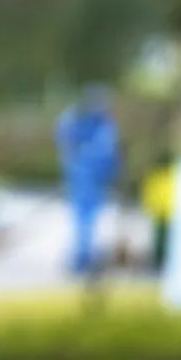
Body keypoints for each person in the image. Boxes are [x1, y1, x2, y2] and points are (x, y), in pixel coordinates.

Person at [56, 85, 119, 274]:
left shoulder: (94, 122)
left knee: (83, 219)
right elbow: (108, 151)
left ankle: (82, 255)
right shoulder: (96, 123)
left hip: (84, 177)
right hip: (86, 178)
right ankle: (82, 256)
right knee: (85, 219)